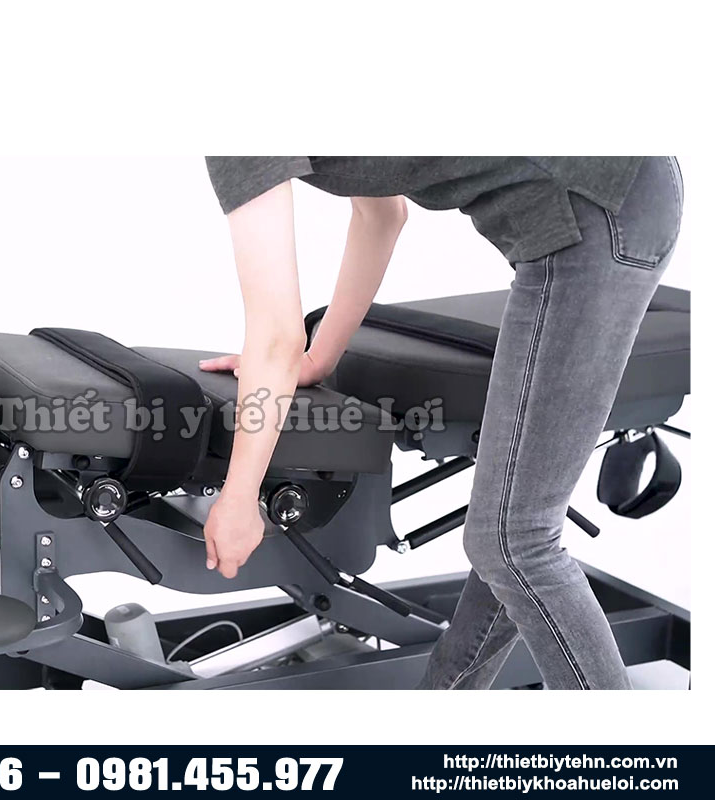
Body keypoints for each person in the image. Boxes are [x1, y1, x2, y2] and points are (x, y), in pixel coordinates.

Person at [198, 156, 682, 690]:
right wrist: (320, 357)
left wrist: (240, 498)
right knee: (507, 540)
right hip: (587, 212)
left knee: (514, 542)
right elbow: (381, 216)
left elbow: (275, 338)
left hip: (600, 210)